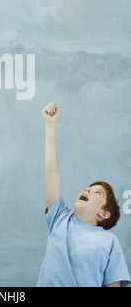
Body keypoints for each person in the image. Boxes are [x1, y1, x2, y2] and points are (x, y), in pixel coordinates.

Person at [38, 101, 131, 287]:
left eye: (97, 192)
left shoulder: (109, 242)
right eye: (88, 188)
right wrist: (50, 124)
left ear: (104, 214)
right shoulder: (59, 218)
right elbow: (51, 170)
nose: (87, 190)